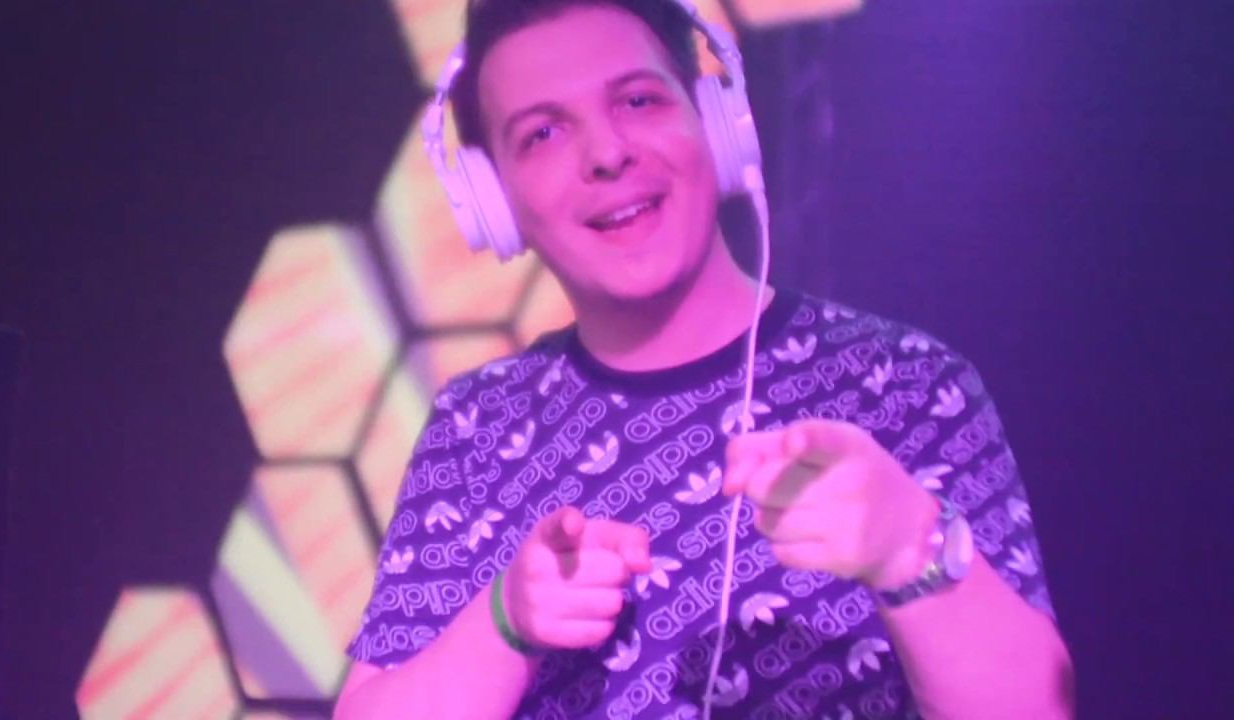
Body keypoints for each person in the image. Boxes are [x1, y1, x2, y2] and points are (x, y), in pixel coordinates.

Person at [334, 0, 1074, 717]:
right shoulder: (476, 426)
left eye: (638, 101)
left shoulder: (905, 383)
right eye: (544, 134)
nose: (607, 154)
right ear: (494, 203)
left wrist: (909, 547)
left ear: (715, 123)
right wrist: (503, 623)